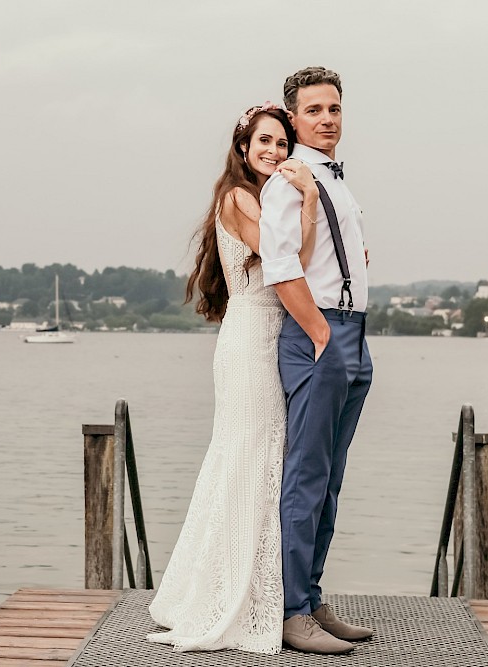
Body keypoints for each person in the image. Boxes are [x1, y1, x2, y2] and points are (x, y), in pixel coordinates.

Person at [147, 103, 319, 654]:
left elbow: (297, 261)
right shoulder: (239, 197)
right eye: (264, 142)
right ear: (242, 148)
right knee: (247, 456)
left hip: (273, 335)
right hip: (250, 341)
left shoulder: (268, 197)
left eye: (281, 144)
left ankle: (252, 592)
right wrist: (310, 201)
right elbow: (282, 258)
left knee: (265, 457)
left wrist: (307, 206)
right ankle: (226, 597)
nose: (273, 152)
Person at [259, 66, 373, 655]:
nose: (327, 119)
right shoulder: (288, 181)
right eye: (314, 111)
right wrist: (322, 335)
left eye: (334, 109)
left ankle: (312, 595)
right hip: (319, 336)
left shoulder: (334, 178)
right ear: (293, 118)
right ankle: (290, 610)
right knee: (305, 477)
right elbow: (282, 268)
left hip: (353, 333)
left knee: (330, 479)